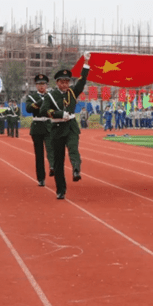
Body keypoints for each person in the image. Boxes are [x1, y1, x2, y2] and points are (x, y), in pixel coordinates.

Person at [40, 53, 91, 199]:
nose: (65, 85)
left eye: (67, 82)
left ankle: (76, 170)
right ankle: (60, 189)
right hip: (57, 129)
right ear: (57, 83)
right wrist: (58, 114)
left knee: (73, 148)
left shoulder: (72, 93)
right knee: (58, 161)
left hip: (71, 127)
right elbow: (44, 110)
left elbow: (81, 82)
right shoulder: (50, 96)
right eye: (62, 82)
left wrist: (86, 63)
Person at [26, 74, 55, 187]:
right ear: (36, 85)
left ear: (46, 85)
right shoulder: (32, 97)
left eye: (43, 84)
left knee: (51, 148)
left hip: (48, 125)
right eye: (39, 84)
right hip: (37, 126)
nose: (41, 86)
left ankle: (52, 166)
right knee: (39, 155)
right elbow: (28, 108)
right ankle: (41, 178)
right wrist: (40, 102)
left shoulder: (51, 96)